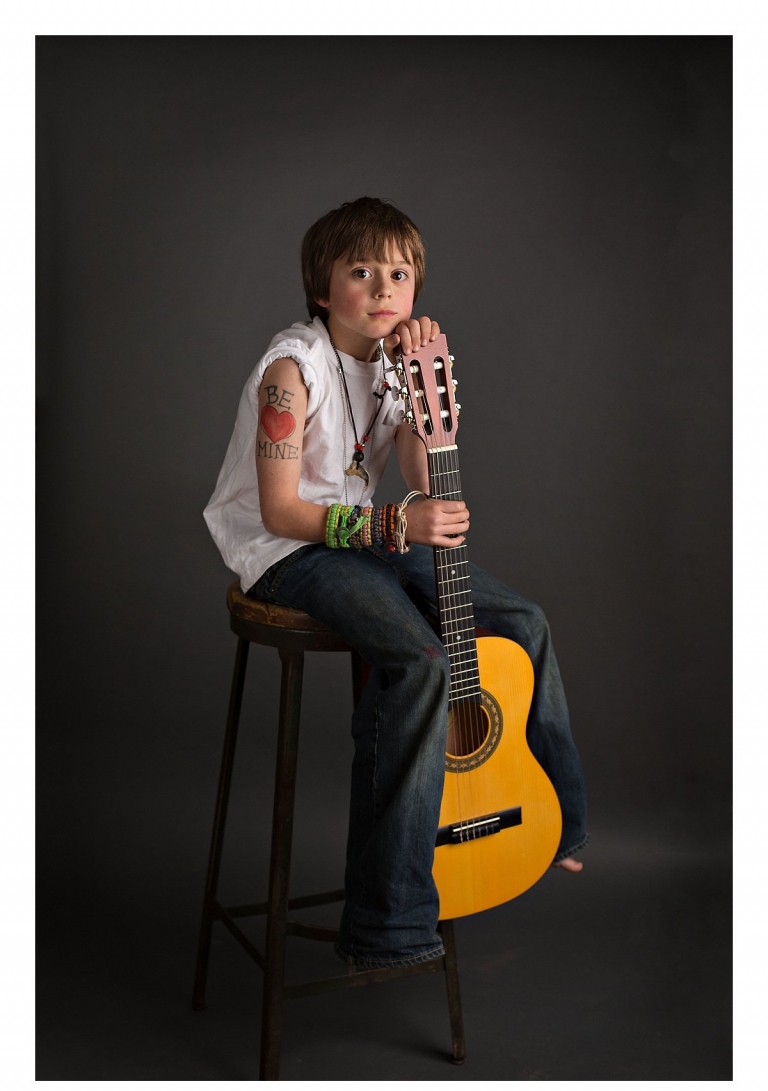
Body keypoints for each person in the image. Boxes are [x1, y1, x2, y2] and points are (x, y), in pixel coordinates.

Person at [204, 196, 588, 969]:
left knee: (524, 620)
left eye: (400, 273)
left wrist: (422, 396)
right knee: (420, 662)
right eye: (362, 271)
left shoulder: (393, 361)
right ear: (322, 289)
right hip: (284, 551)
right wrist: (392, 528)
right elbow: (281, 511)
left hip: (365, 533)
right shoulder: (291, 369)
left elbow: (417, 475)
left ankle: (558, 823)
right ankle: (387, 918)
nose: (384, 287)